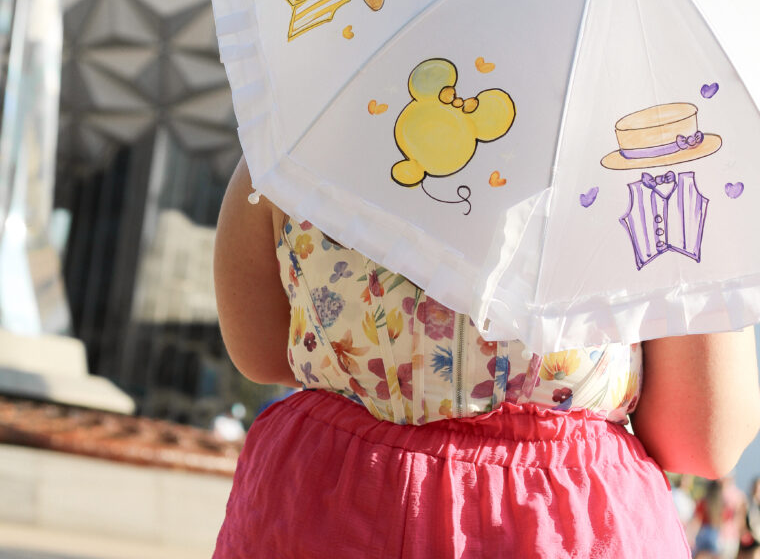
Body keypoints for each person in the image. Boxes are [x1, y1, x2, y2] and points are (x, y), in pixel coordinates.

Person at [211, 159, 760, 558]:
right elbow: (702, 438)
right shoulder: (663, 164)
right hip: (557, 523)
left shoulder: (312, 119)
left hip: (326, 506)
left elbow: (258, 348)